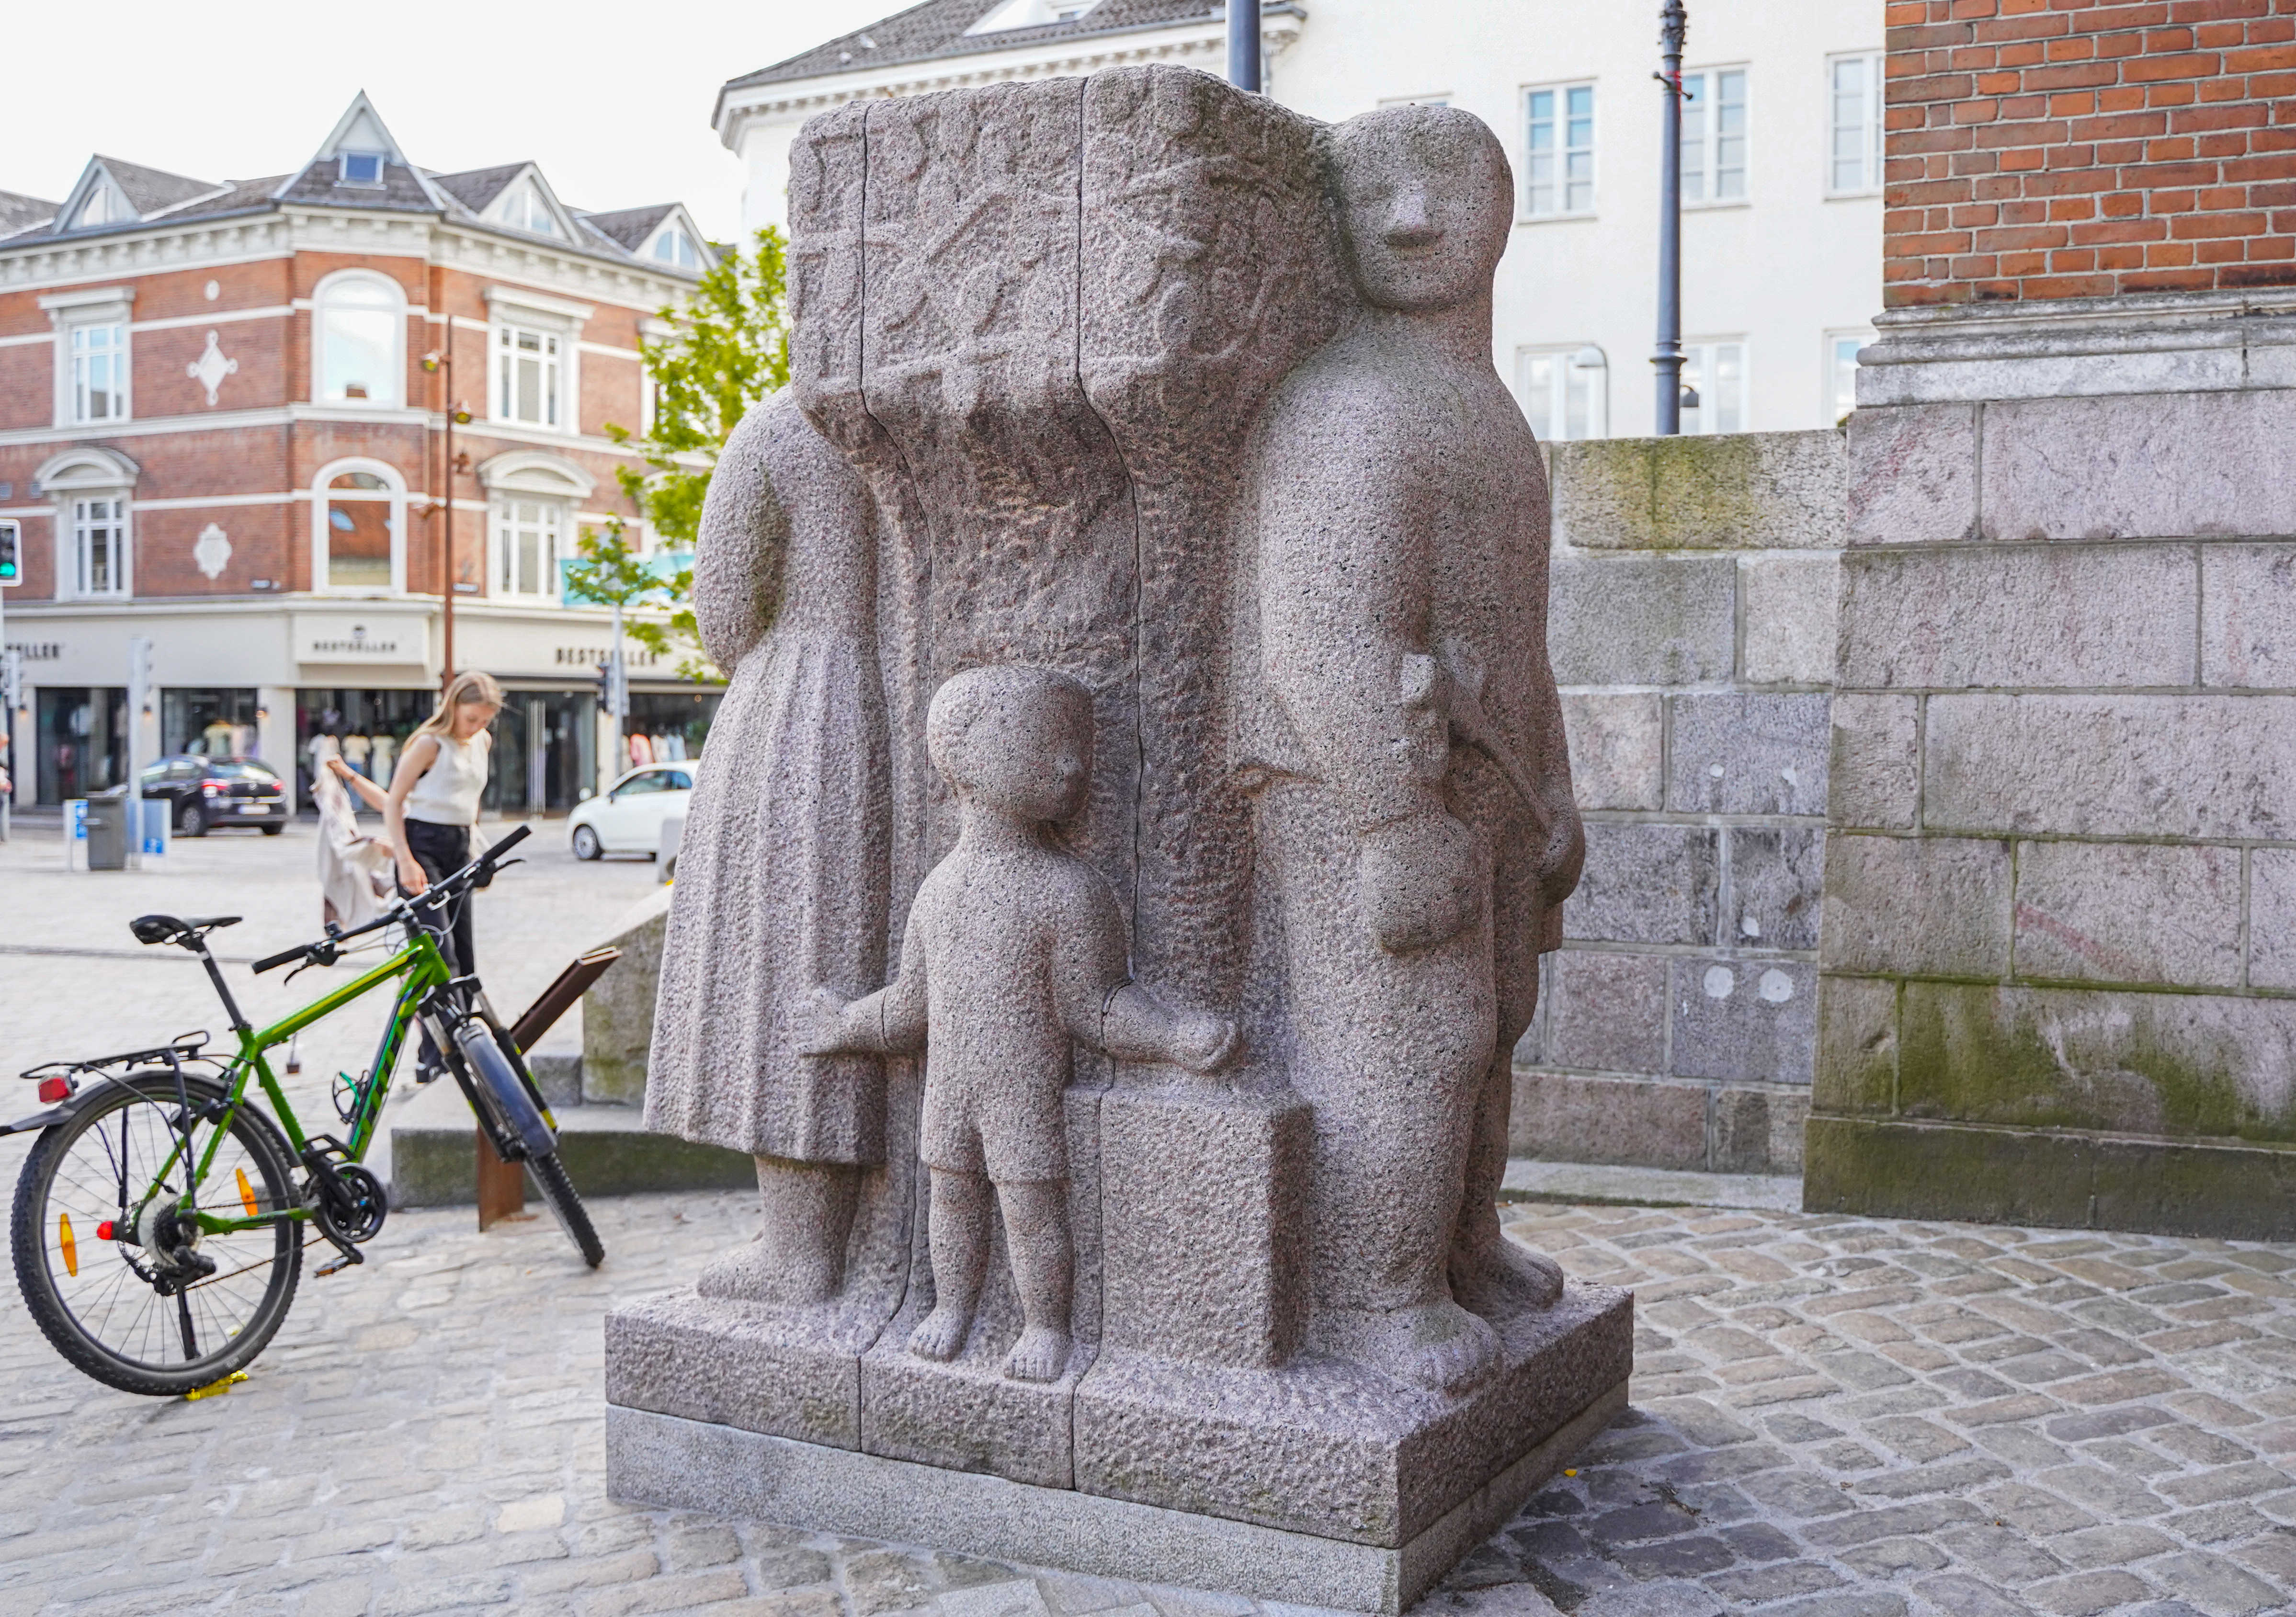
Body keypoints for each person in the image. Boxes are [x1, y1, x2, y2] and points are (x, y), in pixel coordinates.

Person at [1249, 105, 1582, 1395]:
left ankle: (1458, 1243)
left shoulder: (1481, 409)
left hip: (1482, 771)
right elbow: (1323, 633)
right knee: (1411, 1034)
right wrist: (1392, 816)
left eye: (1444, 184)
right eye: (1374, 192)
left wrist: (1552, 788)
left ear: (1502, 207)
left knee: (1493, 1020)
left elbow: (1518, 631)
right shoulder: (1350, 405)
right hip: (1359, 778)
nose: (1406, 217)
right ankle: (1374, 1289)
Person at [801, 665, 1237, 1382]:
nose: (1071, 766)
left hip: (1023, 1091)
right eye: (1045, 744)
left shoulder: (1070, 892)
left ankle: (1045, 1323)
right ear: (965, 758)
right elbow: (910, 1006)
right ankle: (953, 1306)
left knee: (1032, 1210)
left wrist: (1171, 1037)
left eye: (1077, 747)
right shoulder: (938, 893)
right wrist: (844, 1024)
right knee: (950, 1198)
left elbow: (1098, 1006)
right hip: (952, 1089)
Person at [377, 671, 503, 1074]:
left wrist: (477, 853)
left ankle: (456, 1051)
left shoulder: (482, 742)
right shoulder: (429, 744)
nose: (477, 727)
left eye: (485, 720)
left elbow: (470, 803)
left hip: (460, 846)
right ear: (453, 707)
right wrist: (405, 859)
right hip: (422, 844)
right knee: (440, 954)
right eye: (471, 719)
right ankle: (442, 1057)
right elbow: (393, 802)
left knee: (464, 954)